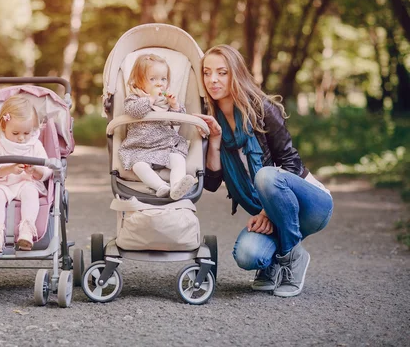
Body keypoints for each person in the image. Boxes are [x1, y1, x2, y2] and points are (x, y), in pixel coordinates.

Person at [194, 45, 333, 297]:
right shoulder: (208, 117)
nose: (213, 79)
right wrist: (214, 140)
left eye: (222, 72)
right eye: (207, 72)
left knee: (266, 175)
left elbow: (291, 164)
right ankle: (274, 263)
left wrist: (268, 211)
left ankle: (293, 258)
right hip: (268, 212)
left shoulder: (262, 109)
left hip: (311, 205)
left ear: (235, 74)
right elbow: (212, 183)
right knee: (248, 254)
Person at [118, 54, 196, 200]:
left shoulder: (166, 101)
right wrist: (151, 99)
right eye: (152, 79)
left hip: (165, 146)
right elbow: (135, 111)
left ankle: (177, 186)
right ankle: (161, 187)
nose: (159, 84)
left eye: (163, 79)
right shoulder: (134, 98)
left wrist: (174, 106)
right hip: (140, 148)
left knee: (178, 159)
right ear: (138, 81)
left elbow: (179, 120)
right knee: (139, 166)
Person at [0, 95, 52, 252]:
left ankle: (26, 230)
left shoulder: (35, 144)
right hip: (1, 184)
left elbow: (47, 169)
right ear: (3, 126)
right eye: (15, 133)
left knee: (30, 191)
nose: (21, 138)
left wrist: (35, 170)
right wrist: (9, 169)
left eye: (26, 133)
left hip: (26, 182)